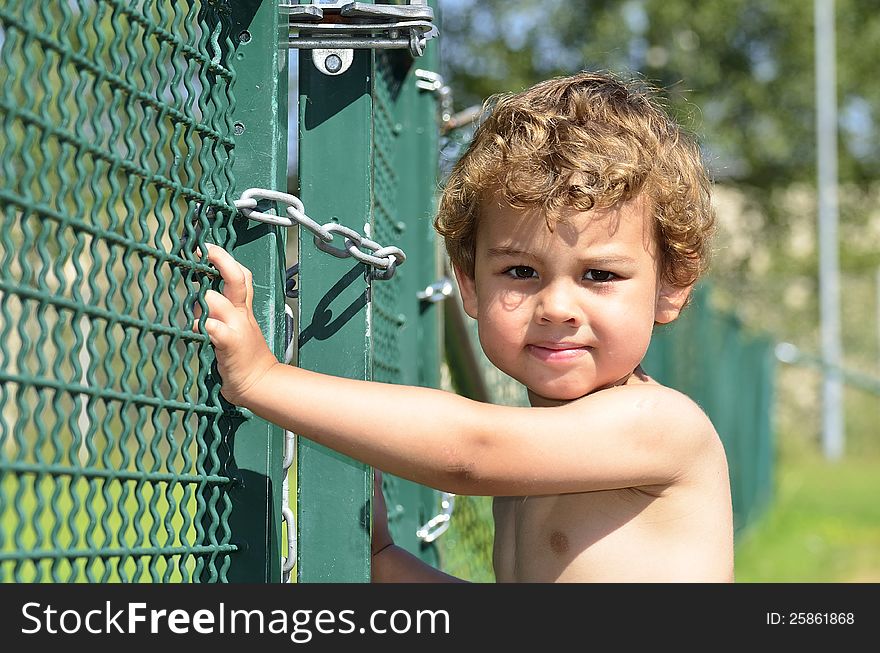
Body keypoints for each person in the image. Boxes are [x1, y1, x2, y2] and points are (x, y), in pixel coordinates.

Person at [197, 70, 733, 582]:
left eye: (600, 274)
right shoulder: (533, 465)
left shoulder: (661, 426)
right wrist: (387, 563)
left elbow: (469, 452)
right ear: (470, 284)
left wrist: (264, 380)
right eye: (521, 272)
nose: (556, 307)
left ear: (671, 285)